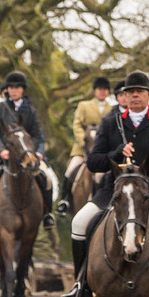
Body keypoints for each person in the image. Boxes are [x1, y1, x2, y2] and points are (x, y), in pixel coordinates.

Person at [59, 70, 149, 297]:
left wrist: (147, 184)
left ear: (148, 95)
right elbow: (94, 162)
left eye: (140, 92)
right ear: (124, 95)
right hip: (113, 190)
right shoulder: (109, 123)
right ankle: (80, 284)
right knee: (80, 223)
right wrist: (116, 153)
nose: (135, 95)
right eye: (130, 92)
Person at [0, 70, 56, 230]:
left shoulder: (30, 111)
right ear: (7, 89)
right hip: (0, 155)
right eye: (11, 87)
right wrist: (0, 150)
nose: (14, 90)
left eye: (18, 87)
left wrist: (36, 151)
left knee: (48, 178)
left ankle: (47, 215)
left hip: (26, 156)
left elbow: (36, 134)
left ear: (23, 89)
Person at [55, 76, 111, 215]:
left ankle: (103, 202)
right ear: (94, 91)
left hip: (102, 152)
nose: (102, 92)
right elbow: (77, 124)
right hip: (82, 150)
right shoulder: (84, 105)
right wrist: (83, 141)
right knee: (70, 171)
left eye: (105, 89)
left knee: (104, 175)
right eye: (100, 89)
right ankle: (65, 201)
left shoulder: (111, 109)